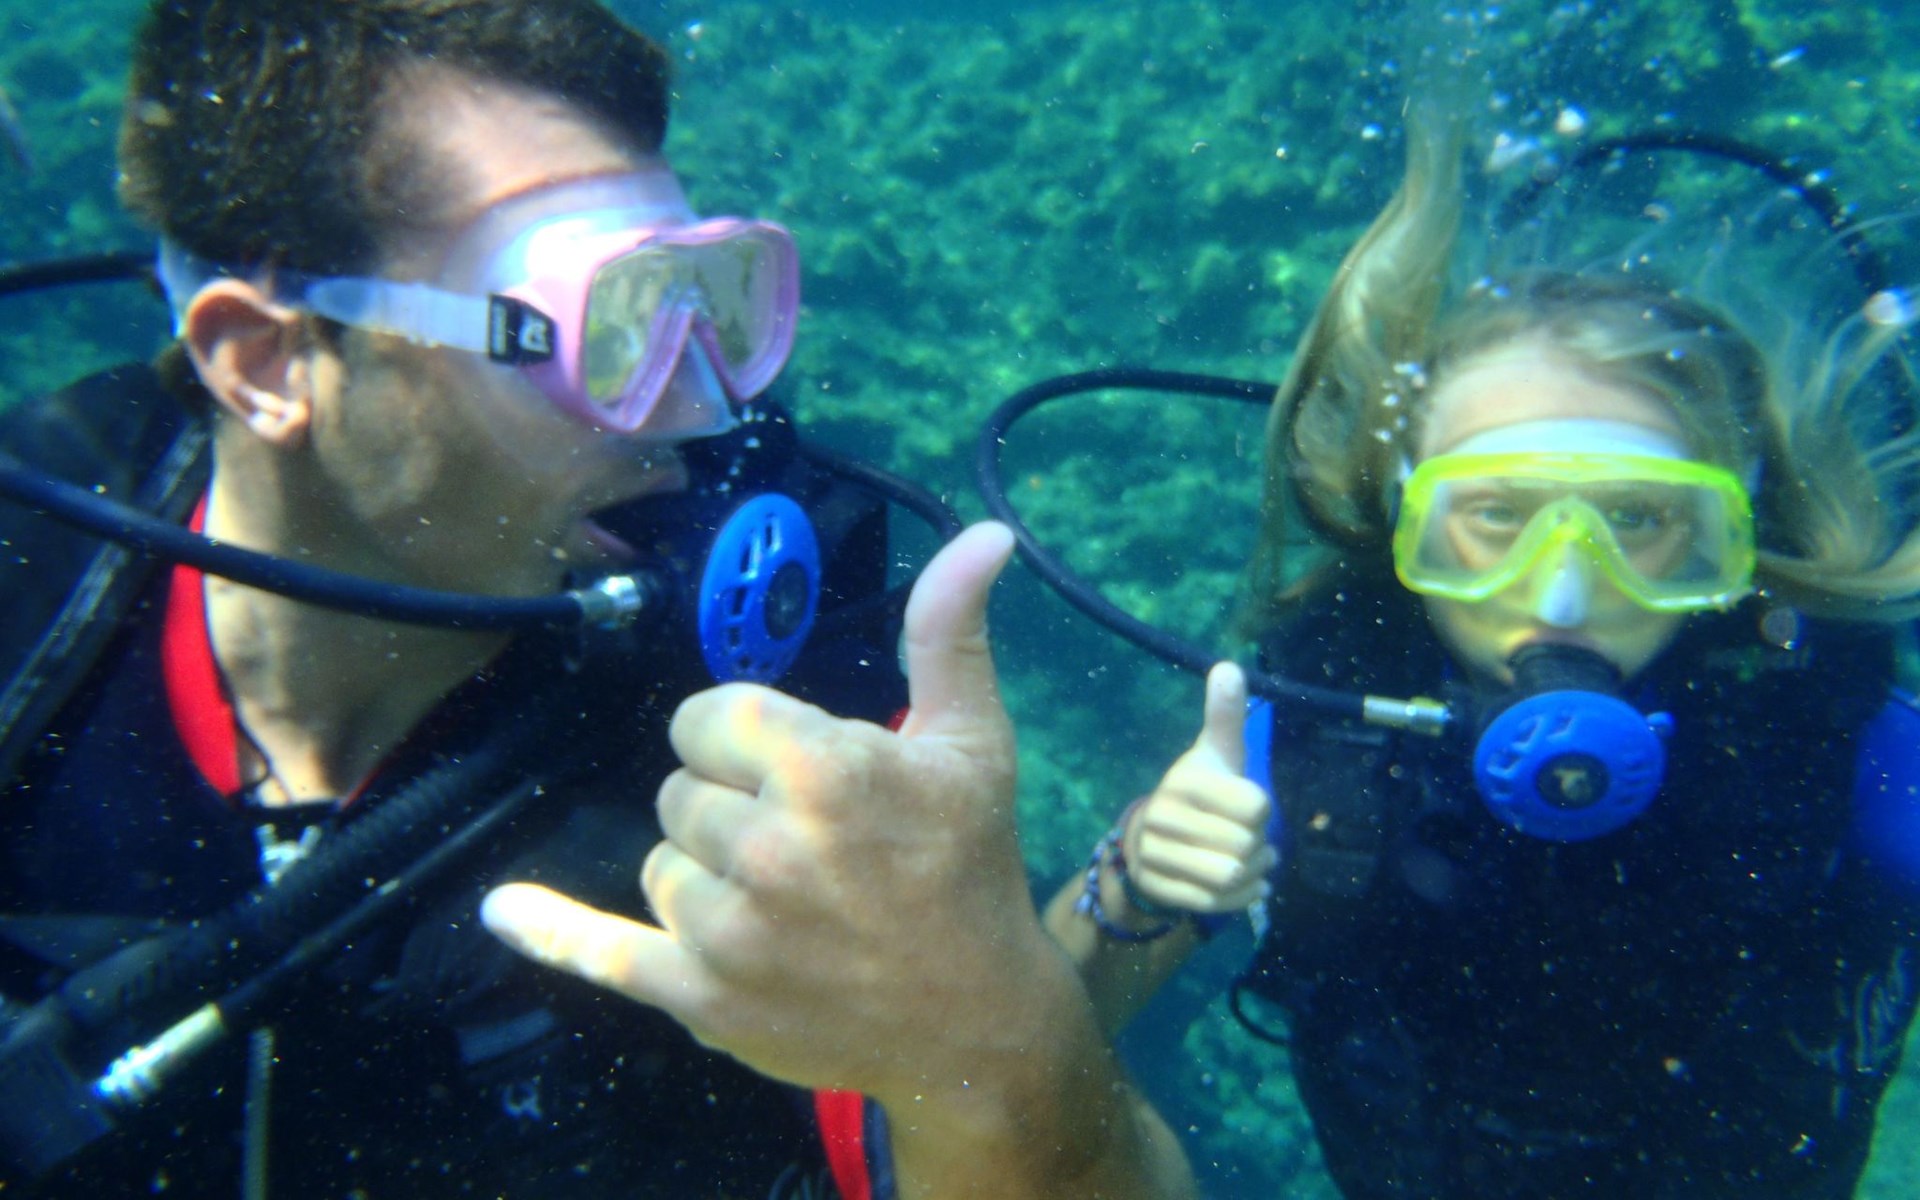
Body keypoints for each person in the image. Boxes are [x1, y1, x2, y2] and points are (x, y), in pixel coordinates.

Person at [0, 3, 1181, 1197]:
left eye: (709, 304)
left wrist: (989, 1040)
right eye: (601, 330)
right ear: (269, 363)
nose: (698, 410)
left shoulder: (778, 692)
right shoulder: (34, 572)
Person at [1043, 98, 1920, 1198]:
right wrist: (1138, 886)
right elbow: (1025, 1040)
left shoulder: (1848, 749)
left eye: (1638, 519)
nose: (1563, 591)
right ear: (1406, 520)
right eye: (1498, 515)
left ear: (1727, 537)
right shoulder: (1304, 748)